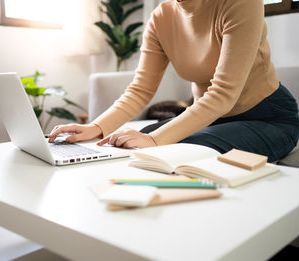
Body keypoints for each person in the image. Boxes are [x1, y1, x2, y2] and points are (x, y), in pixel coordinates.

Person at [49, 0, 299, 162]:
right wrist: (96, 127)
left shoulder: (240, 3)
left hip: (269, 118)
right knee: (122, 143)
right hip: (212, 118)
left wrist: (156, 140)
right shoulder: (161, 16)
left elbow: (223, 94)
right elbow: (140, 89)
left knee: (168, 148)